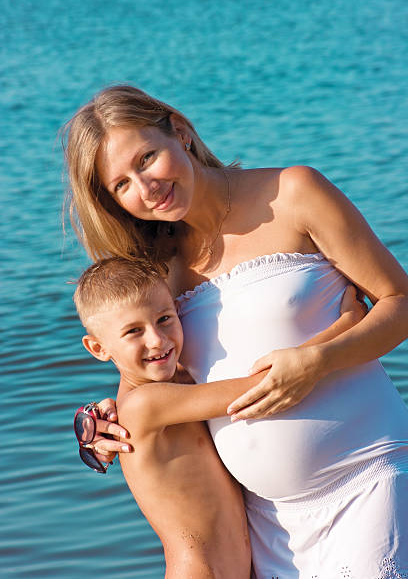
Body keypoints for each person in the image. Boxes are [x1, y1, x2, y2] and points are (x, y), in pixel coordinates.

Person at [64, 85, 408, 577]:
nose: (145, 188)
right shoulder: (158, 266)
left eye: (147, 158)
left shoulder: (294, 193)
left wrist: (319, 360)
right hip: (270, 532)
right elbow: (150, 377)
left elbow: (400, 302)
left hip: (366, 480)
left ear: (179, 133)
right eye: (121, 185)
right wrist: (100, 425)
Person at [73, 257, 365, 578]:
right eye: (133, 331)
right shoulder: (145, 404)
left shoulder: (173, 387)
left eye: (165, 319)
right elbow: (266, 384)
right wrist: (346, 325)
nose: (157, 339)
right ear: (98, 348)